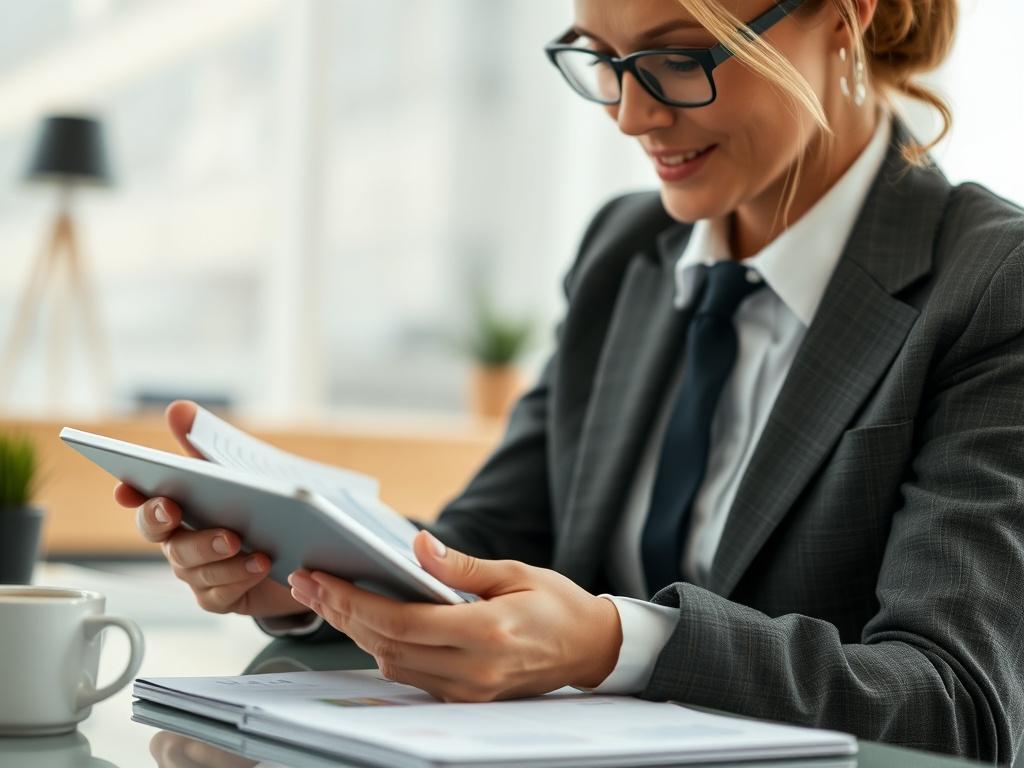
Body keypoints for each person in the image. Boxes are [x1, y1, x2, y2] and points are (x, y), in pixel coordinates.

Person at [115, 0, 1024, 761]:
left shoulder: (988, 284)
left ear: (845, 17)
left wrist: (612, 646)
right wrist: (305, 574)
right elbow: (482, 544)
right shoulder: (625, 253)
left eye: (676, 56)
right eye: (602, 59)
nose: (631, 115)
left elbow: (959, 705)